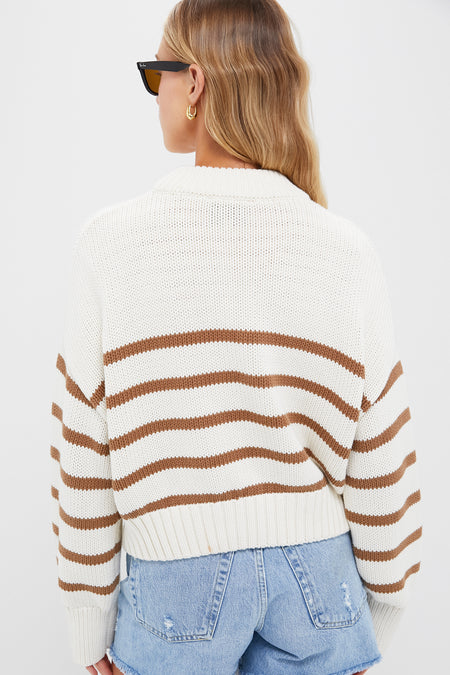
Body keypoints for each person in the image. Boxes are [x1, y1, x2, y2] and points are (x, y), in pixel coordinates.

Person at [49, 1, 423, 674]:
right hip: (321, 587)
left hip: (173, 583)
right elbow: (382, 455)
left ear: (193, 82)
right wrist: (381, 611)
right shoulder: (346, 250)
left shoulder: (109, 243)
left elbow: (85, 450)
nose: (156, 94)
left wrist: (88, 620)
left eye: (157, 74)